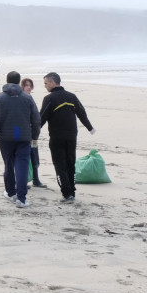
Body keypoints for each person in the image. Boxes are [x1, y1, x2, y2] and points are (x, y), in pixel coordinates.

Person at [40, 72, 96, 203]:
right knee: (71, 163)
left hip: (57, 137)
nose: (45, 86)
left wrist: (33, 134)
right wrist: (90, 128)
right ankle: (72, 191)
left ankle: (67, 194)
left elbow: (42, 117)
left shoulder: (49, 98)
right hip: (71, 136)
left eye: (46, 83)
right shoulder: (71, 96)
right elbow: (82, 113)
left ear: (53, 83)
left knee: (60, 165)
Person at [0, 71, 41, 208]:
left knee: (8, 164)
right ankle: (21, 199)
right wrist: (35, 137)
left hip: (6, 138)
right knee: (22, 167)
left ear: (7, 81)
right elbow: (36, 119)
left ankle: (11, 193)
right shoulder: (27, 98)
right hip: (22, 137)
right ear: (19, 82)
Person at [21, 78, 47, 188]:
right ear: (22, 86)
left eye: (30, 85)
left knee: (34, 155)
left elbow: (36, 118)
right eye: (26, 85)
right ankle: (25, 180)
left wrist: (35, 133)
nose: (29, 87)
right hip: (24, 133)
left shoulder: (29, 98)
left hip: (32, 132)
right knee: (24, 156)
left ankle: (36, 179)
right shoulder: (22, 98)